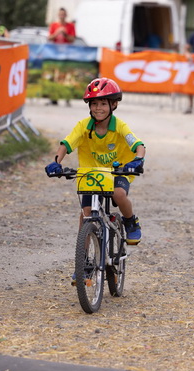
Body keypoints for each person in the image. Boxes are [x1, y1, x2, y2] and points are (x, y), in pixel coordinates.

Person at [45, 78, 146, 255]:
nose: (98, 108)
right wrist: (56, 162)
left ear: (113, 105)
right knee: (86, 213)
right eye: (94, 104)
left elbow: (138, 145)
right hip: (91, 174)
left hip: (117, 171)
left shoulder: (120, 126)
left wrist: (138, 159)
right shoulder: (83, 126)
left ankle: (130, 221)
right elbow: (66, 144)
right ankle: (83, 258)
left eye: (103, 103)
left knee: (118, 194)